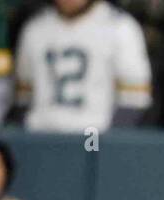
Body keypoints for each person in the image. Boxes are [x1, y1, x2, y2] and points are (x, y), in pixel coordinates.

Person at [14, 0, 152, 133]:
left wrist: (109, 143)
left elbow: (135, 99)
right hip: (40, 132)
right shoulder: (35, 27)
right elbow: (23, 97)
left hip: (93, 134)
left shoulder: (120, 26)